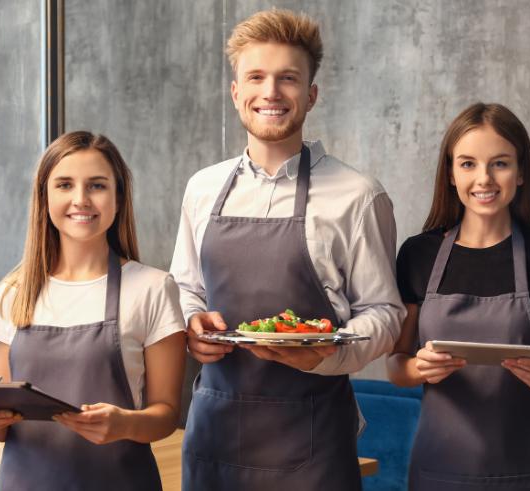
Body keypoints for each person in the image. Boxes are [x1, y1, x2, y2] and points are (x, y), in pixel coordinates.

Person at [170, 9, 405, 491]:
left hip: (313, 442)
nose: (271, 92)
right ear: (236, 92)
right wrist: (191, 322)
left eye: (288, 78)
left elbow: (385, 314)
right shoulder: (202, 187)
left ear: (311, 94)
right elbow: (185, 288)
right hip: (213, 434)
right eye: (255, 77)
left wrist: (325, 355)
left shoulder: (359, 195)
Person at [0, 131, 187, 491]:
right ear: (44, 199)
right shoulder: (12, 293)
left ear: (118, 200)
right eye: (64, 185)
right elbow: (4, 428)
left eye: (97, 186)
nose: (81, 199)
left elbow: (166, 415)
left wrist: (125, 425)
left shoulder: (153, 287)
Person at [387, 103, 530, 490]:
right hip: (439, 470)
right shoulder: (418, 254)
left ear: (521, 171)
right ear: (451, 173)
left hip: (529, 467)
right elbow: (396, 364)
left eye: (500, 163)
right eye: (469, 163)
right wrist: (419, 369)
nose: (484, 179)